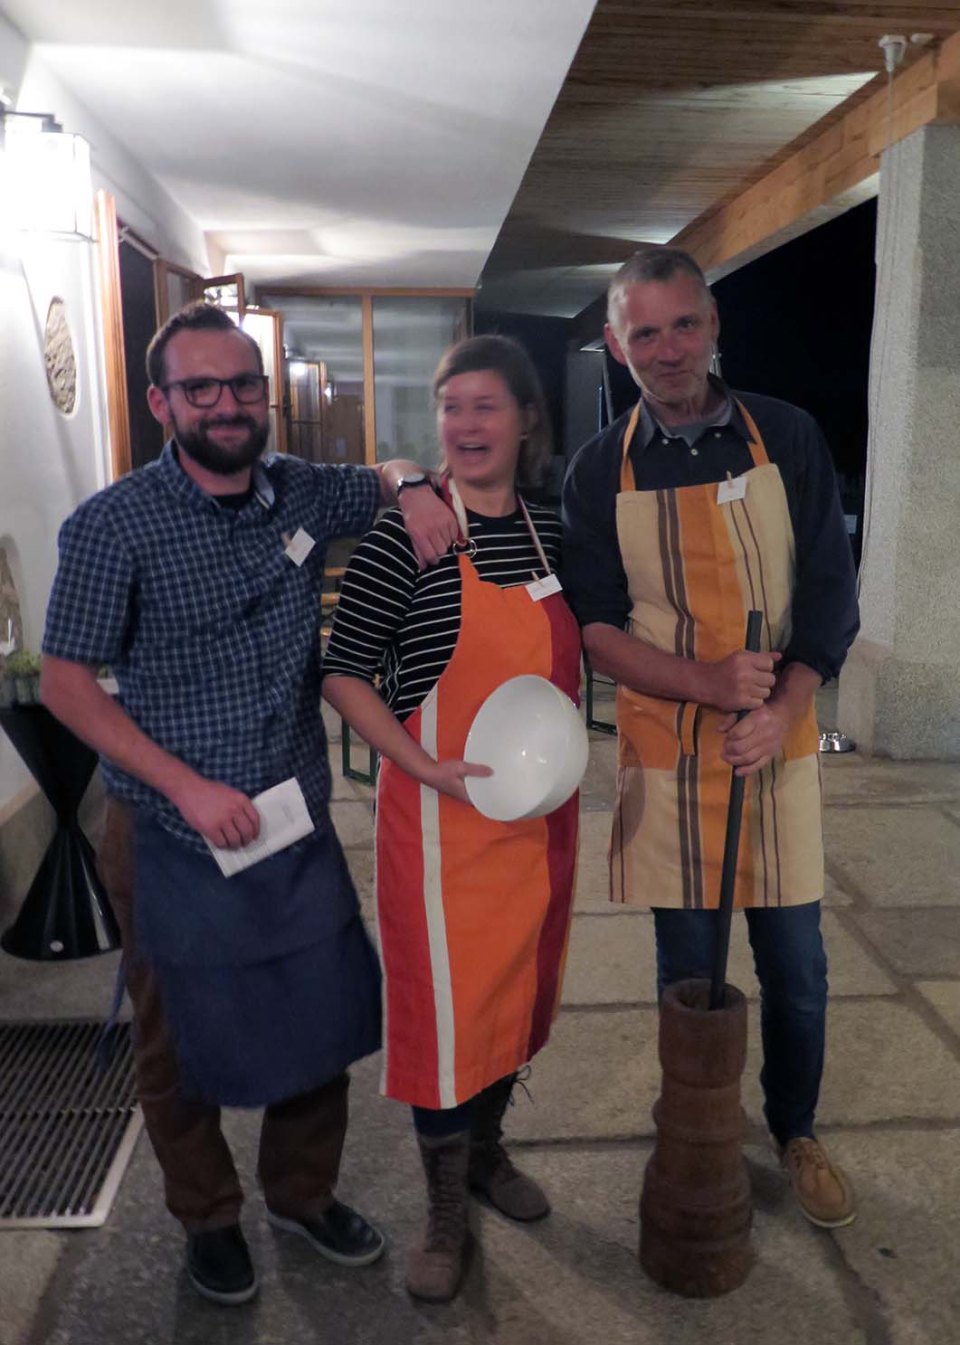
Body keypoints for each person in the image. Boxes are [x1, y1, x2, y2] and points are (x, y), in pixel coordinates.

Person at [39, 301, 460, 1306]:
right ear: (161, 402)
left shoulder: (298, 488)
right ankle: (209, 1216)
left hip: (292, 818)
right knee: (178, 1037)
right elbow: (64, 684)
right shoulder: (111, 525)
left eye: (240, 385)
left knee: (320, 1017)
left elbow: (385, 471)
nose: (225, 404)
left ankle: (302, 1195)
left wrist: (414, 487)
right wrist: (186, 785)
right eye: (200, 388)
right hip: (169, 829)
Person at [562, 247, 860, 1229]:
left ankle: (796, 1128)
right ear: (617, 347)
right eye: (644, 332)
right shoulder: (598, 469)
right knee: (689, 971)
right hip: (667, 750)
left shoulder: (787, 437)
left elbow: (830, 597)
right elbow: (598, 627)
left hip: (777, 743)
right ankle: (697, 1127)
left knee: (797, 968)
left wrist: (781, 707)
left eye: (683, 324)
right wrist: (707, 682)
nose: (668, 349)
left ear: (714, 323)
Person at [322, 334, 581, 1301]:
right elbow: (343, 671)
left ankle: (485, 1150)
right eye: (451, 407)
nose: (467, 426)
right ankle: (441, 1207)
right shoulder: (413, 532)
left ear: (525, 419)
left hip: (537, 824)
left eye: (487, 406)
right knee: (443, 1018)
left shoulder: (550, 528)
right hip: (441, 829)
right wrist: (421, 762)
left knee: (515, 997)